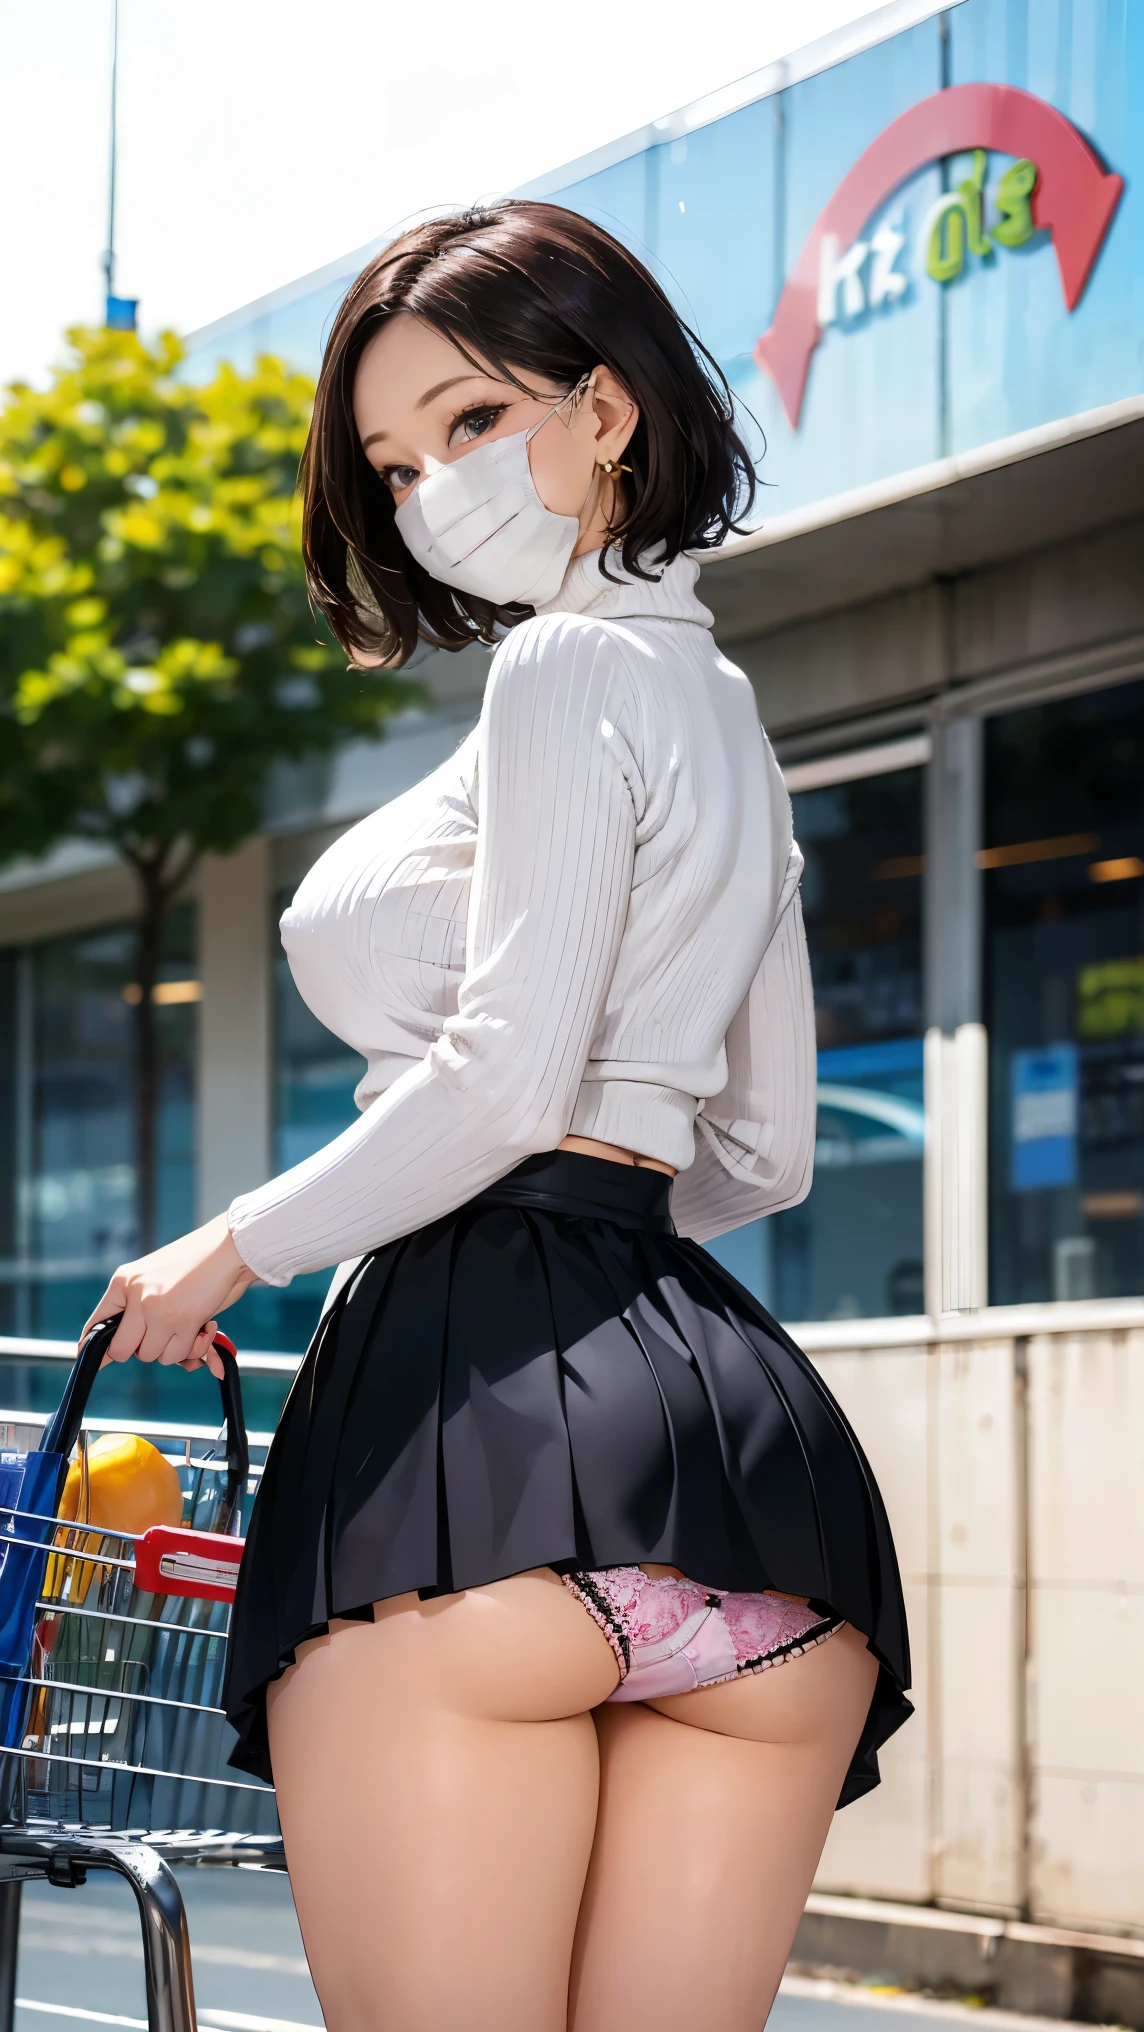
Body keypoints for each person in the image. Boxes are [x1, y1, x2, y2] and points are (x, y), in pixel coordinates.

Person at [86, 201, 910, 2032]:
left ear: (607, 409)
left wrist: (229, 1247)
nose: (429, 489)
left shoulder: (555, 673)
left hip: (469, 1451)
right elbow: (760, 1150)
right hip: (753, 1488)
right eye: (392, 465)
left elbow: (505, 1082)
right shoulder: (727, 716)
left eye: (470, 424)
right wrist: (598, 1232)